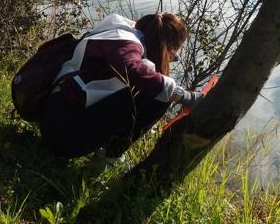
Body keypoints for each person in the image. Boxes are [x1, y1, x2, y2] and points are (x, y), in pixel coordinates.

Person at [38, 12, 204, 162]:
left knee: (153, 88)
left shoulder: (118, 29)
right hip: (63, 136)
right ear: (164, 46)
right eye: (172, 53)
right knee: (160, 96)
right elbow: (133, 70)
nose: (171, 58)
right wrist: (186, 96)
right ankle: (111, 158)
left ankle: (105, 151)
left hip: (52, 119)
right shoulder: (128, 45)